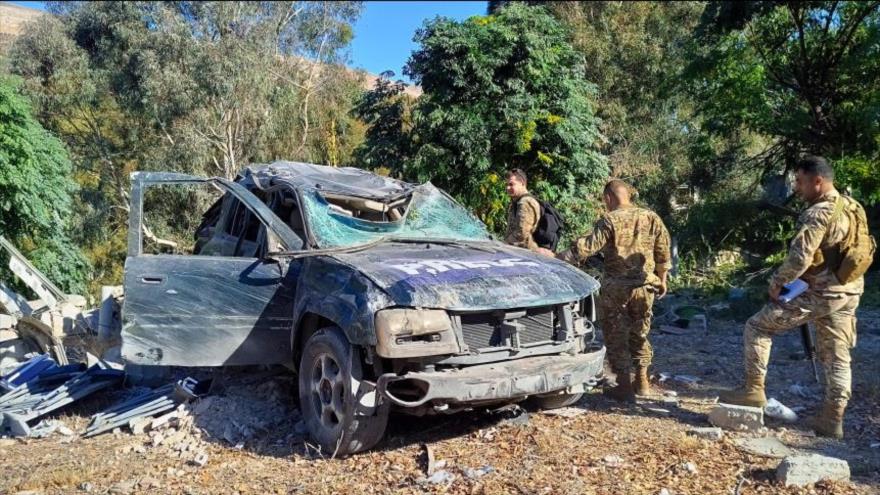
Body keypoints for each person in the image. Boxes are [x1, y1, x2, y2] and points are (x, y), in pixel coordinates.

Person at [719, 156, 866, 439]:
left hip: (821, 292)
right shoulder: (852, 206)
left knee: (757, 326)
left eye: (800, 181)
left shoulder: (819, 213)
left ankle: (753, 390)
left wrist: (777, 283)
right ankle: (832, 420)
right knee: (837, 355)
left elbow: (800, 258)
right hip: (849, 290)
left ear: (818, 181)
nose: (797, 188)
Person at [545, 179, 671, 402]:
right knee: (640, 332)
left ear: (608, 198)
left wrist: (559, 258)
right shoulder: (651, 217)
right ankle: (642, 381)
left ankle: (623, 385)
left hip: (617, 288)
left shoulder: (609, 219)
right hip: (645, 286)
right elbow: (663, 251)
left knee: (616, 334)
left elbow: (588, 247)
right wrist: (662, 279)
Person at [504, 169, 543, 252]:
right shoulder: (517, 202)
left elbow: (521, 234)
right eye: (507, 184)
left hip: (524, 252)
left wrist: (503, 245)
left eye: (511, 184)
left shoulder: (525, 202)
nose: (507, 188)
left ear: (522, 183)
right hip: (516, 251)